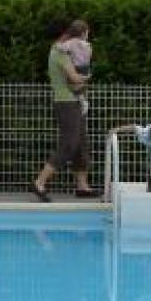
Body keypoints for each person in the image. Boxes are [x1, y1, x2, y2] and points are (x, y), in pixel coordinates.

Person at [30, 19, 101, 202]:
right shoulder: (60, 52)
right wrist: (87, 76)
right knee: (69, 144)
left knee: (81, 144)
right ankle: (39, 182)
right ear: (64, 34)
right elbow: (74, 78)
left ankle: (82, 186)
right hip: (66, 102)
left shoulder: (64, 50)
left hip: (75, 101)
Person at [57, 19, 92, 115]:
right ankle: (81, 100)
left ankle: (82, 102)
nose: (87, 35)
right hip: (85, 67)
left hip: (76, 68)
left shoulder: (72, 43)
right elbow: (89, 56)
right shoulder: (87, 45)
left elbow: (61, 48)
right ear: (83, 33)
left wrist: (59, 43)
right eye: (87, 33)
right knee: (80, 86)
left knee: (70, 83)